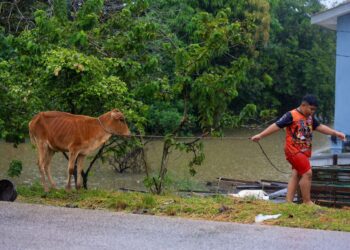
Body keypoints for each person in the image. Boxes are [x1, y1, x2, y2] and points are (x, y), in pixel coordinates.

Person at [250, 94, 346, 205]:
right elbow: (276, 125)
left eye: (314, 110)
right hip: (293, 150)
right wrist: (260, 135)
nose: (312, 112)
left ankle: (288, 202)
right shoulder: (291, 115)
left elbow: (320, 127)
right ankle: (307, 202)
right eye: (311, 109)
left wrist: (336, 133)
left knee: (296, 174)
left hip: (304, 151)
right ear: (303, 105)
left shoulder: (310, 118)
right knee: (307, 173)